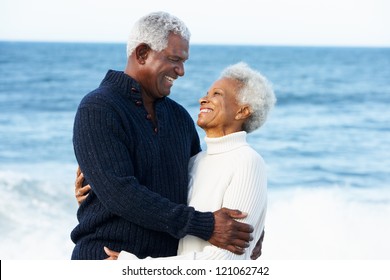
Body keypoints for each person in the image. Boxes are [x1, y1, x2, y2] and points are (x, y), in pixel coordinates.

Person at [71, 11, 254, 260]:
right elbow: (120, 193)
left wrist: (247, 229)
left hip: (168, 265)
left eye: (184, 61)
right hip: (106, 257)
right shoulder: (99, 108)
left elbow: (201, 185)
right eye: (174, 59)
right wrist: (206, 226)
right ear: (143, 54)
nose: (181, 71)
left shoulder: (178, 117)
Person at [78, 62, 275, 260]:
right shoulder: (195, 162)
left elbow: (224, 262)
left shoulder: (247, 161)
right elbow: (158, 201)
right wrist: (99, 191)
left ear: (242, 111)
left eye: (217, 94)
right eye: (207, 92)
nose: (203, 99)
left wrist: (134, 266)